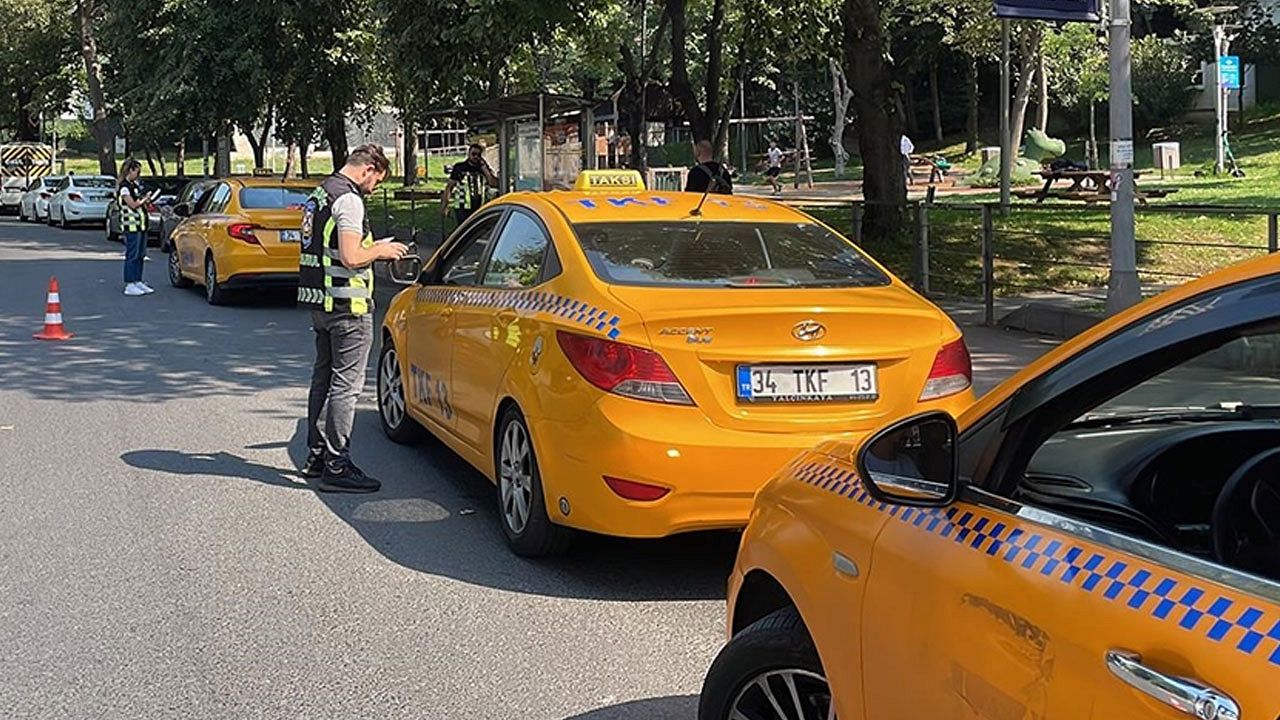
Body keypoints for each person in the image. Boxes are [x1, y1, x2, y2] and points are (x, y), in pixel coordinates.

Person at [297, 144, 409, 493]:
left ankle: (316, 457)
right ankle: (337, 464)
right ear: (368, 169)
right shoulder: (348, 199)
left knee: (323, 380)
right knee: (346, 387)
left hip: (320, 304)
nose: (375, 188)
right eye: (377, 180)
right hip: (348, 308)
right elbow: (350, 255)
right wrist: (381, 250)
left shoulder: (320, 193)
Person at [116, 159, 156, 296]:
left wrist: (147, 200)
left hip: (141, 225)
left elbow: (139, 203)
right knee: (132, 255)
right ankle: (130, 282)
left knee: (140, 255)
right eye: (137, 171)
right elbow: (132, 204)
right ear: (130, 170)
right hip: (131, 226)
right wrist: (144, 200)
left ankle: (138, 280)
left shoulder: (134, 186)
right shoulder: (124, 187)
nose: (138, 174)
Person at [441, 142, 498, 228]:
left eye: (479, 155)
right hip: (462, 205)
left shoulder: (482, 168)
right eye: (473, 154)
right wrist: (445, 205)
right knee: (464, 229)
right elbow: (449, 187)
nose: (476, 157)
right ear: (468, 154)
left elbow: (493, 183)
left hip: (479, 205)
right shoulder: (460, 167)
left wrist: (484, 168)